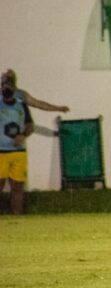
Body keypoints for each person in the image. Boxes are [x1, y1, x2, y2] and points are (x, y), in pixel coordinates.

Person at [1, 70, 68, 214]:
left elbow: (38, 104)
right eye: (4, 82)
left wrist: (58, 108)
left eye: (9, 82)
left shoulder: (21, 98)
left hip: (18, 150)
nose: (6, 86)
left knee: (17, 186)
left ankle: (17, 219)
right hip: (1, 151)